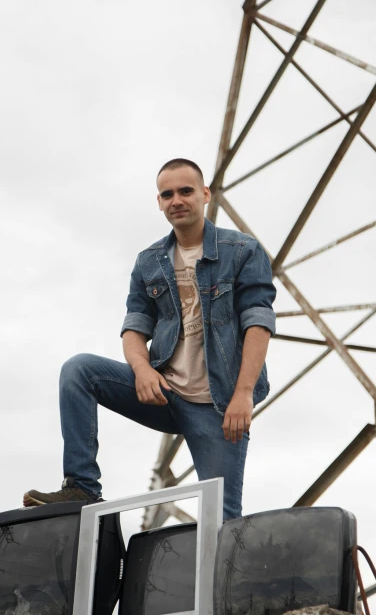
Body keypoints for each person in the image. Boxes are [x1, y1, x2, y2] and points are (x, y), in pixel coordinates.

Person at [24, 159, 276, 520]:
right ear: (159, 202)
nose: (177, 200)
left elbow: (259, 321)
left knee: (222, 521)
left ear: (205, 195)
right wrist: (141, 369)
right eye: (167, 194)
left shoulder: (242, 251)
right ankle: (82, 487)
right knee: (78, 370)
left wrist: (243, 394)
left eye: (185, 191)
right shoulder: (149, 262)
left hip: (218, 406)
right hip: (165, 392)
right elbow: (134, 327)